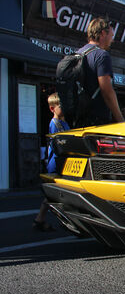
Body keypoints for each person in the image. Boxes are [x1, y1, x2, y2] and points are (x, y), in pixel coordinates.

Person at [77, 17, 124, 126]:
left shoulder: (78, 54)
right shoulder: (101, 55)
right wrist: (121, 120)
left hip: (78, 118)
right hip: (95, 120)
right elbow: (106, 90)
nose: (112, 40)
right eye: (111, 36)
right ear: (103, 33)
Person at [34, 93, 70, 232]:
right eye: (61, 106)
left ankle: (40, 219)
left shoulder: (63, 122)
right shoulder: (55, 124)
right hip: (56, 162)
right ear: (52, 108)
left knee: (56, 193)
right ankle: (41, 219)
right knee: (54, 193)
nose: (64, 108)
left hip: (61, 161)